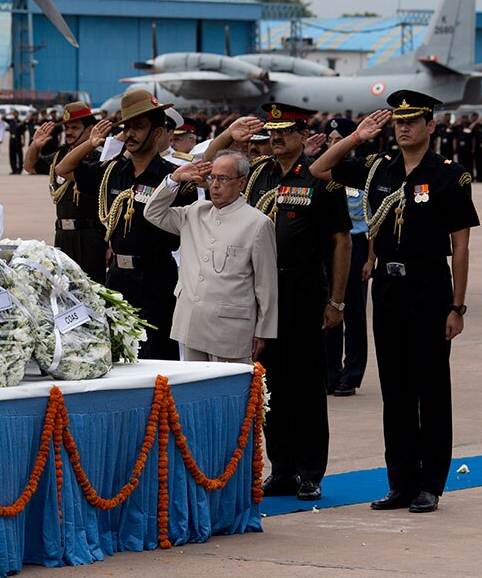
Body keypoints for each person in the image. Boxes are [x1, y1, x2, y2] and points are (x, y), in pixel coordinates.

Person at [310, 90, 480, 514]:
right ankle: (400, 481)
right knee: (396, 388)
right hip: (388, 286)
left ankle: (430, 483)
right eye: (398, 121)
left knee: (431, 387)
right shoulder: (378, 167)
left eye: (413, 120)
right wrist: (357, 137)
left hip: (429, 286)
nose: (403, 127)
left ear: (430, 125)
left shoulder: (448, 174)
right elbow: (319, 167)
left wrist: (456, 308)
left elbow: (459, 248)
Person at [212, 103, 352, 502]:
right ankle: (283, 467)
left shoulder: (320, 177)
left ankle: (310, 472)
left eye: (284, 131)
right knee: (270, 383)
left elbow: (341, 240)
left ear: (303, 135)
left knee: (306, 384)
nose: (275, 138)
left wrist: (337, 301)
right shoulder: (257, 175)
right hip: (258, 291)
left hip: (303, 291)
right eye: (271, 131)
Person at [55, 88, 196, 360]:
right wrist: (91, 143)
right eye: (127, 127)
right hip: (117, 276)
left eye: (139, 127)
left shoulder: (173, 178)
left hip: (156, 277)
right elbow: (64, 169)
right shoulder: (112, 171)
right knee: (119, 354)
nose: (130, 134)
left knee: (158, 358)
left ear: (157, 133)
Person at [144, 150, 278, 363]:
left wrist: (263, 330)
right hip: (191, 323)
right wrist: (174, 179)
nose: (215, 185)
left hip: (230, 330)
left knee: (230, 393)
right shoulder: (195, 212)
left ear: (242, 182)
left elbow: (266, 283)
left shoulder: (257, 223)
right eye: (212, 177)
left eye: (223, 178)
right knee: (195, 391)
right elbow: (152, 212)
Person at [23, 101, 107, 283]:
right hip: (63, 234)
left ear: (90, 129)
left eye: (75, 128)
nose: (68, 132)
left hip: (91, 235)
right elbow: (30, 166)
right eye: (67, 127)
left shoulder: (101, 157)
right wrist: (35, 145)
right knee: (65, 289)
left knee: (93, 289)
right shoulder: (60, 156)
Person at [320, 117, 370, 397]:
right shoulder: (322, 173)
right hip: (329, 245)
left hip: (358, 244)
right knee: (329, 307)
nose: (334, 145)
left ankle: (351, 374)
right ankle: (330, 371)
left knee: (353, 310)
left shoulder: (362, 172)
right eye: (330, 141)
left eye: (339, 141)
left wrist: (371, 258)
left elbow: (375, 217)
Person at [6, 110, 27, 174]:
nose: (14, 115)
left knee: (19, 155)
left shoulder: (21, 122)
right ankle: (13, 169)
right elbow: (2, 117)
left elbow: (23, 132)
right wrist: (8, 113)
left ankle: (19, 169)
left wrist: (24, 140)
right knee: (12, 155)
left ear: (18, 114)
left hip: (18, 139)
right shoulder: (11, 121)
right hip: (11, 139)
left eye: (16, 113)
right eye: (14, 113)